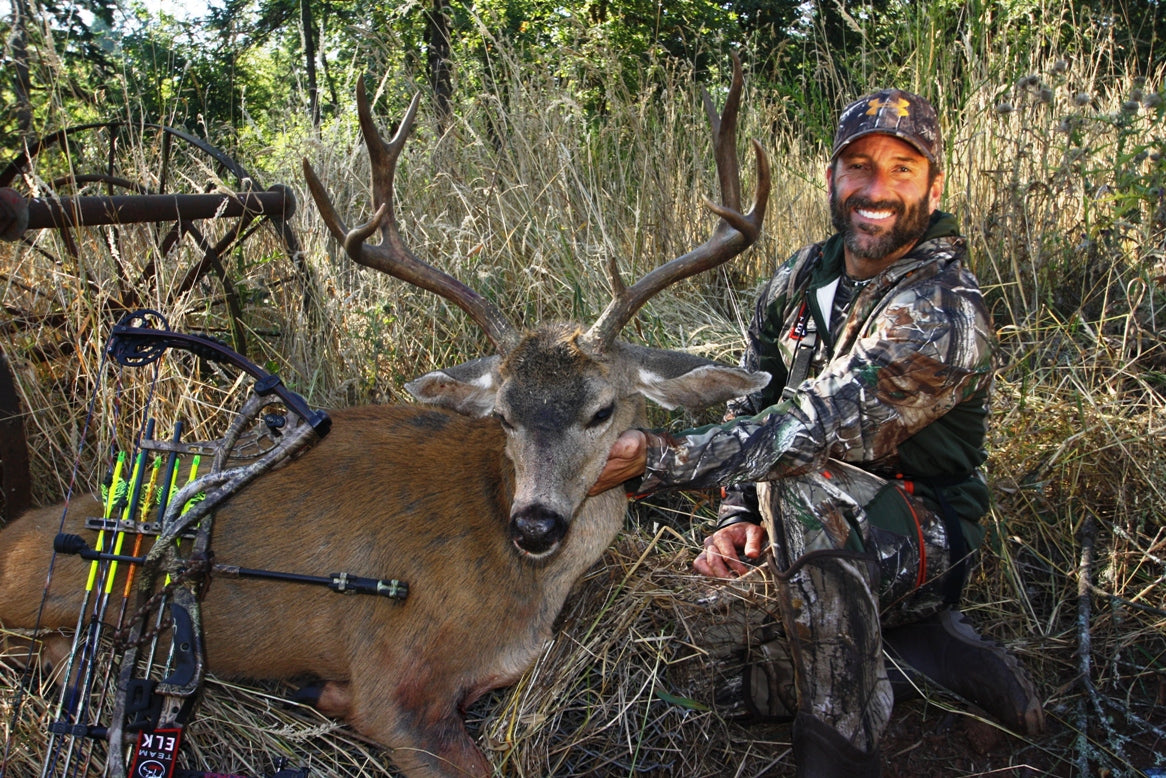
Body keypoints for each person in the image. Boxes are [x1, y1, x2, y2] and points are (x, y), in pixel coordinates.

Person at [590, 89, 1045, 776]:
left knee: (804, 485)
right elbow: (752, 403)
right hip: (810, 521)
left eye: (902, 169)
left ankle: (840, 743)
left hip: (926, 537)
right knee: (727, 683)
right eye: (859, 165)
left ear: (935, 185)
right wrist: (738, 513)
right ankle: (918, 652)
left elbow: (808, 432)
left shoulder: (944, 311)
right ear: (831, 178)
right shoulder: (801, 278)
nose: (876, 189)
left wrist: (657, 459)